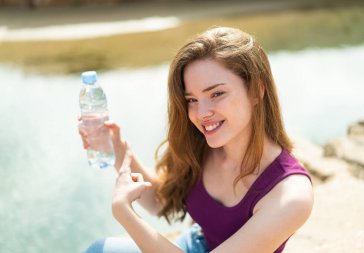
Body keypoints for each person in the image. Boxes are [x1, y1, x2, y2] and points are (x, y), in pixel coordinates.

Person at [79, 26, 313, 253]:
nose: (201, 114)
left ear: (256, 91)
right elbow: (160, 202)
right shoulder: (203, 145)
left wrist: (125, 214)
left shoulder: (291, 194)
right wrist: (116, 150)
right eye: (192, 99)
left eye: (216, 94)